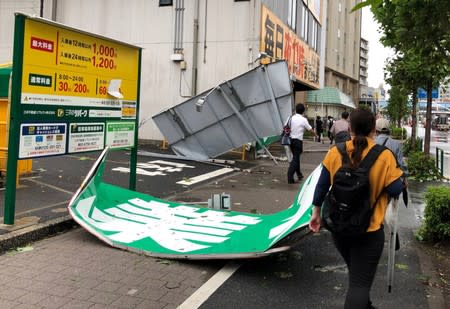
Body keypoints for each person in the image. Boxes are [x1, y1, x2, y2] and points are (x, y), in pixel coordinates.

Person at [309, 108, 404, 309]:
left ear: (350, 127)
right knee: (359, 284)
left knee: (358, 276)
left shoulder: (336, 151)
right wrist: (402, 181)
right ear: (373, 130)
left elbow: (321, 186)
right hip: (368, 231)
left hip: (339, 227)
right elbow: (395, 189)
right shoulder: (385, 156)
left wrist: (316, 214)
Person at [286, 103, 316, 184]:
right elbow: (310, 129)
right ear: (303, 111)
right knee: (295, 159)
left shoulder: (291, 118)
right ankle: (290, 176)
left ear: (296, 110)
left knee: (296, 157)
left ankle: (299, 174)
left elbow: (286, 126)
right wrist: (316, 135)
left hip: (290, 140)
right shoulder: (303, 120)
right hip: (298, 141)